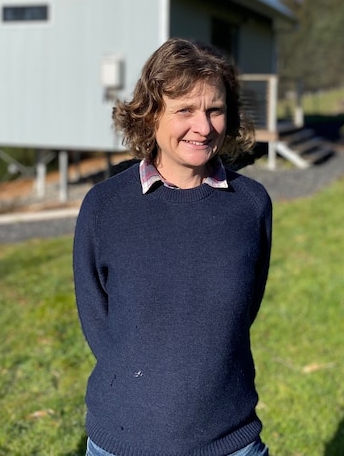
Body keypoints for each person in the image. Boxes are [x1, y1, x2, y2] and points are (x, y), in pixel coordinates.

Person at [73, 38, 273, 456]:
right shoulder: (104, 208)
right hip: (124, 441)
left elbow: (241, 312)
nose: (203, 127)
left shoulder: (251, 205)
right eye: (185, 110)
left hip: (229, 440)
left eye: (215, 110)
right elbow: (97, 320)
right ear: (150, 116)